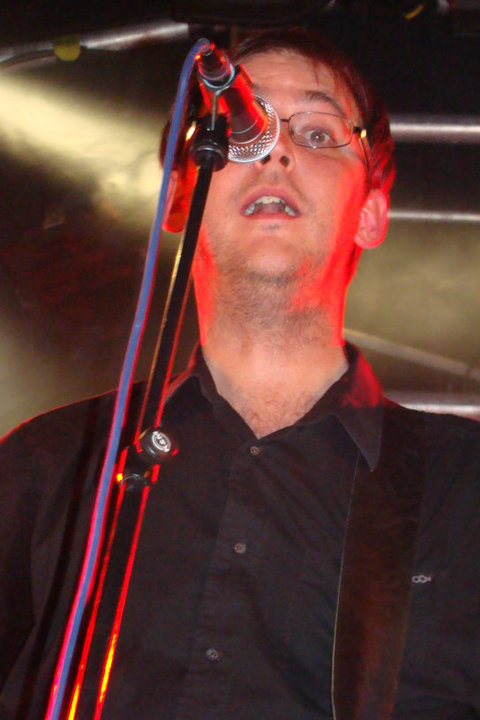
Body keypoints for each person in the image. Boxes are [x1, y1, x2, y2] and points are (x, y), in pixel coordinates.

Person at [1, 27, 479, 720]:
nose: (274, 150)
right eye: (237, 132)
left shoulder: (464, 488)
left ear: (371, 214)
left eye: (316, 134)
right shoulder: (49, 468)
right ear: (178, 198)